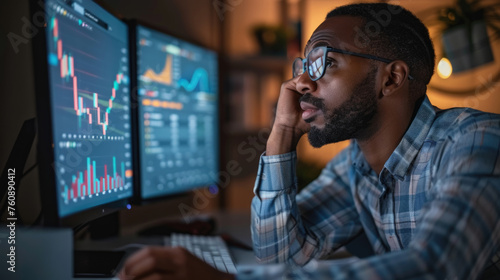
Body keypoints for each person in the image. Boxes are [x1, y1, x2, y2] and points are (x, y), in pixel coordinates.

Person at [119, 3, 500, 280]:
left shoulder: (474, 140)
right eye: (303, 65)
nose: (300, 82)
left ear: (391, 79)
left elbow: (436, 267)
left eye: (325, 63)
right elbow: (279, 255)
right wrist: (283, 131)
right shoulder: (355, 167)